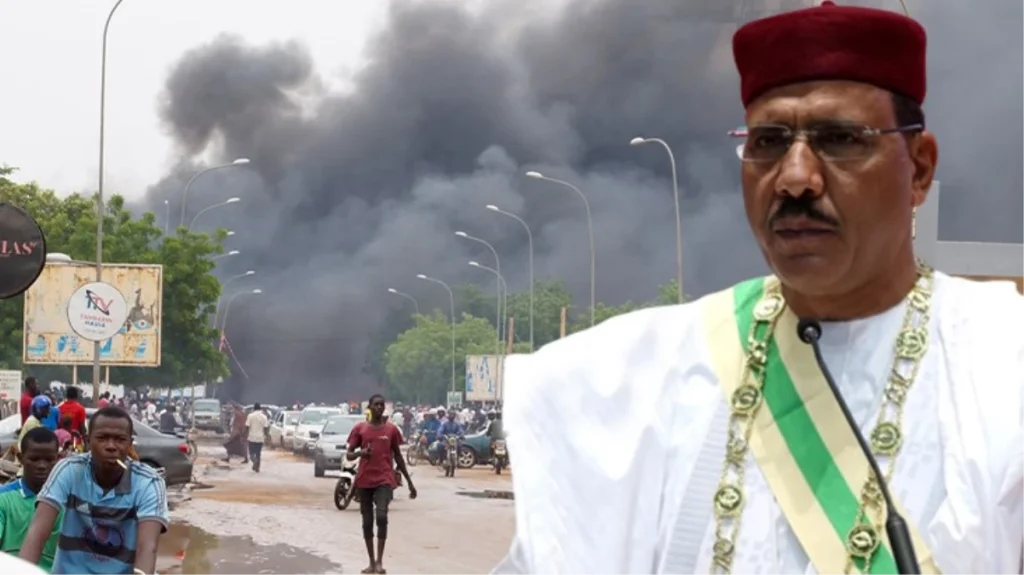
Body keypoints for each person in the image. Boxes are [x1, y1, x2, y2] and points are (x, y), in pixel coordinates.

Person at [494, 4, 1024, 574]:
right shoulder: (630, 386)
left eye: (841, 138)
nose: (795, 177)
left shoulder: (1001, 365)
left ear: (918, 169)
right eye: (768, 141)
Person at [19, 406, 169, 574]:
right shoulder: (69, 470)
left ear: (130, 443)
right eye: (102, 438)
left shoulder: (148, 482)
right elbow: (37, 533)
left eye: (120, 439)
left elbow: (147, 548)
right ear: (87, 441)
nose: (111, 446)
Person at [346, 394, 416, 574]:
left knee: (382, 516)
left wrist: (409, 482)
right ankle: (371, 561)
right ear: (369, 407)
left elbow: (398, 456)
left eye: (382, 405)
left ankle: (379, 561)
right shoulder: (359, 429)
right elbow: (349, 455)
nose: (379, 408)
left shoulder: (391, 430)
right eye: (376, 405)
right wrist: (362, 453)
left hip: (384, 479)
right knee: (367, 521)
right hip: (364, 480)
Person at [0, 427, 62, 570]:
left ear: (58, 459)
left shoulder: (67, 501)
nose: (41, 466)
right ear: (21, 458)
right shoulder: (3, 498)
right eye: (34, 459)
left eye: (49, 460)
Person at [244, 402, 269, 473]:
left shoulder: (250, 416)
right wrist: (266, 437)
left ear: (254, 408)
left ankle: (254, 461)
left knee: (251, 453)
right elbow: (266, 428)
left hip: (252, 437)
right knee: (258, 453)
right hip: (260, 438)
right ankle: (257, 468)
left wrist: (245, 435)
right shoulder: (264, 417)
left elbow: (247, 426)